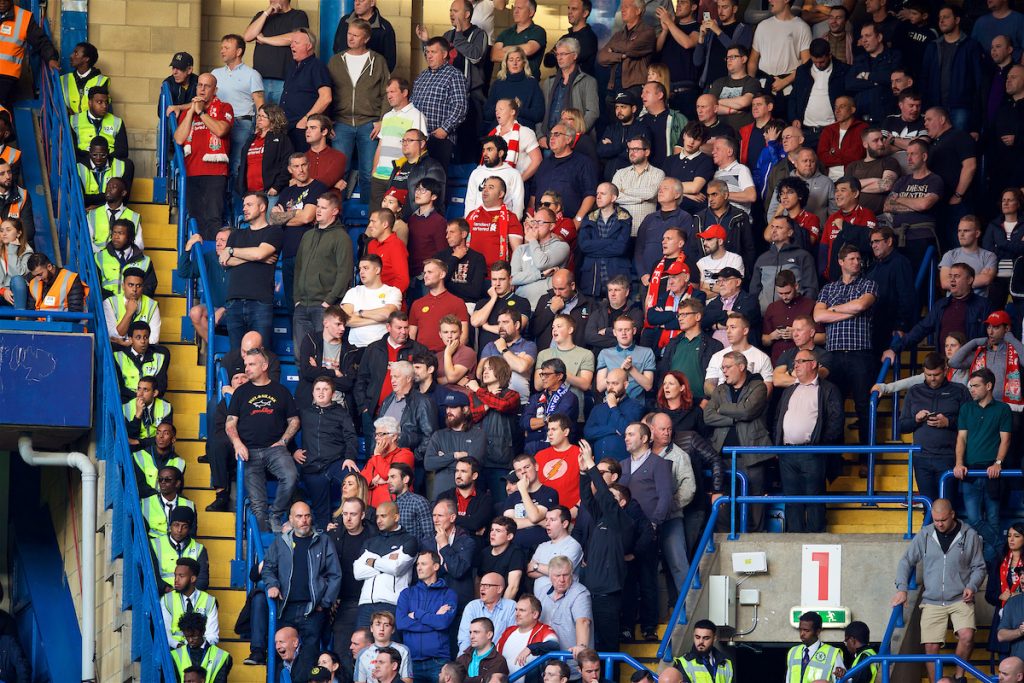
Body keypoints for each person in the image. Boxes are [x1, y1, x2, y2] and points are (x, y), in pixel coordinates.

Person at [893, 499, 986, 683]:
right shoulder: (925, 534)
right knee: (930, 646)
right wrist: (902, 589)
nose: (939, 524)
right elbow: (906, 562)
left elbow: (979, 567)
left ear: (952, 515)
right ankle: (937, 681)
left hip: (961, 597)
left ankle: (959, 678)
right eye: (935, 520)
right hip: (932, 600)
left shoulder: (970, 535)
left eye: (943, 520)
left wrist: (972, 586)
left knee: (967, 635)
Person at [226, 347, 300, 532]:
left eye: (251, 364)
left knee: (291, 477)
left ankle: (275, 514)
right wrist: (237, 443)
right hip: (249, 451)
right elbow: (230, 424)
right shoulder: (241, 392)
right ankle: (263, 550)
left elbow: (294, 421)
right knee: (258, 506)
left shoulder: (280, 391)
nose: (247, 368)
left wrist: (283, 441)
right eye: (246, 365)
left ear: (264, 366)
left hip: (275, 449)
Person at [814, 245, 878, 447]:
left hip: (860, 354)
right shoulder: (828, 288)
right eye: (851, 259)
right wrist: (847, 312)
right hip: (833, 354)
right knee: (834, 407)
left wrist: (832, 311)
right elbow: (818, 316)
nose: (856, 262)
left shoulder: (868, 284)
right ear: (841, 262)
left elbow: (861, 305)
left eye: (858, 259)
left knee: (863, 406)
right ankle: (835, 459)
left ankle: (866, 458)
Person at [774, 349, 843, 533]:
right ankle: (795, 541)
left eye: (800, 361)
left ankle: (815, 540)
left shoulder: (827, 389)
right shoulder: (789, 390)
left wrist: (820, 447)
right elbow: (778, 419)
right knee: (791, 501)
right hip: (787, 453)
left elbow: (836, 422)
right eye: (794, 362)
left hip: (812, 453)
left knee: (814, 500)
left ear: (813, 364)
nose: (795, 365)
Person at [703, 351, 772, 530]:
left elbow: (747, 411)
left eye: (727, 367)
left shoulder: (758, 386)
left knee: (754, 504)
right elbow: (708, 416)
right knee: (724, 505)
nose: (723, 371)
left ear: (741, 367)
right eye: (722, 367)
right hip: (723, 457)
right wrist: (734, 417)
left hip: (752, 456)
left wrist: (722, 409)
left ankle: (754, 544)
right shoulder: (720, 389)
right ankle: (726, 544)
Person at [954, 368, 1014, 560]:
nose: (971, 389)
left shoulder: (1003, 409)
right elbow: (961, 439)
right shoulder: (966, 408)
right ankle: (1002, 548)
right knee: (973, 520)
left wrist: (998, 463)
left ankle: (992, 568)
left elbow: (1005, 440)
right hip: (970, 472)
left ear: (988, 386)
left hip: (992, 472)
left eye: (976, 386)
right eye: (970, 386)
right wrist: (958, 463)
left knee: (994, 520)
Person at [172, 73, 232, 240]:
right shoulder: (189, 112)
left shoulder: (224, 107)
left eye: (207, 86)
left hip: (215, 172)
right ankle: (197, 259)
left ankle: (212, 258)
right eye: (199, 85)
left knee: (213, 217)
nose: (202, 89)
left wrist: (202, 114)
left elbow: (220, 130)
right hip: (192, 171)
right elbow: (179, 138)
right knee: (195, 218)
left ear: (215, 90)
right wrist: (192, 111)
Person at [353, 500, 420, 628]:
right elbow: (358, 572)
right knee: (363, 646)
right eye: (377, 516)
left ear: (396, 517)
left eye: (383, 516)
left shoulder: (409, 540)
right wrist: (386, 563)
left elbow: (396, 568)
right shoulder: (370, 542)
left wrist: (372, 562)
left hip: (392, 604)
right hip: (365, 604)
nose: (378, 520)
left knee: (389, 647)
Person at [918, 5, 983, 135]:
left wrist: (976, 119)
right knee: (938, 147)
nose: (941, 21)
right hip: (936, 106)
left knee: (960, 146)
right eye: (940, 18)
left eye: (946, 17)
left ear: (957, 20)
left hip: (961, 106)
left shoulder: (971, 46)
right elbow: (924, 77)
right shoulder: (932, 46)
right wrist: (926, 106)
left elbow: (979, 82)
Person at [395, 550, 458, 683]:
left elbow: (443, 623)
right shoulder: (406, 593)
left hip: (438, 661)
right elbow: (401, 623)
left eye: (423, 563)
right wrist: (433, 618)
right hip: (411, 661)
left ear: (435, 567)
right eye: (418, 564)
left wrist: (418, 614)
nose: (418, 567)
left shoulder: (448, 594)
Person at [412, 37, 468, 172]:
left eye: (433, 52)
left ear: (444, 54)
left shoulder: (454, 75)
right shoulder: (422, 76)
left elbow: (460, 106)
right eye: (427, 52)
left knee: (437, 180)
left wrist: (445, 129)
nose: (429, 55)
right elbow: (412, 104)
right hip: (419, 138)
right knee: (417, 178)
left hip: (440, 138)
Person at [530, 121, 598, 225]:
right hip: (540, 225)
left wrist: (577, 220)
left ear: (568, 139)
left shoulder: (583, 162)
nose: (551, 138)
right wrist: (531, 216)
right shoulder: (545, 163)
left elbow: (590, 195)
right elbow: (534, 194)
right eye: (550, 134)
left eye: (557, 134)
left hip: (569, 224)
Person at [537, 38, 599, 150]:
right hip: (548, 140)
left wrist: (574, 135)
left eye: (563, 54)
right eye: (557, 54)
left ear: (574, 56)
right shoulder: (549, 82)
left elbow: (593, 112)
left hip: (574, 143)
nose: (559, 58)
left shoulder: (588, 81)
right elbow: (540, 113)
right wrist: (540, 136)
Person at [511, 209, 570, 308]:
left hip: (546, 306)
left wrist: (532, 240)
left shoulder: (561, 247)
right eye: (534, 221)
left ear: (551, 226)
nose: (535, 225)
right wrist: (541, 274)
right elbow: (514, 279)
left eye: (540, 222)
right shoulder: (521, 249)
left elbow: (541, 263)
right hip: (520, 305)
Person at [522, 358, 581, 455]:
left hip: (556, 449)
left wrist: (535, 423)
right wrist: (545, 420)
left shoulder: (569, 398)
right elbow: (524, 422)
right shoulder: (535, 397)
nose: (543, 378)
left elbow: (556, 421)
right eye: (542, 374)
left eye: (547, 374)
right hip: (532, 447)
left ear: (559, 376)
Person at [584, 368, 644, 460]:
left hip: (622, 465)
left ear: (625, 385)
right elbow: (588, 433)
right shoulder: (598, 408)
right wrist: (612, 429)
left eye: (615, 383)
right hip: (599, 464)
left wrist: (613, 406)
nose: (610, 388)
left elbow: (626, 430)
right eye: (608, 383)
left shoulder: (635, 406)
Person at [162, 558, 219, 649]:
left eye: (181, 576)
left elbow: (213, 636)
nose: (176, 580)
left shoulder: (209, 600)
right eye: (175, 575)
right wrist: (181, 647)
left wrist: (197, 647)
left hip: (200, 651)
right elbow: (164, 634)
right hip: (174, 650)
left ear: (193, 578)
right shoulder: (167, 599)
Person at [495, 595, 559, 674]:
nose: (517, 614)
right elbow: (495, 656)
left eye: (522, 610)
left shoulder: (544, 630)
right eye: (516, 610)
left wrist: (530, 648)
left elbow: (554, 645)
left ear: (535, 614)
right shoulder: (508, 631)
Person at [151, 506, 209, 592]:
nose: (179, 530)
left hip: (190, 599)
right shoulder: (154, 544)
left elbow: (202, 581)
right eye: (176, 525)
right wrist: (168, 591)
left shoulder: (199, 549)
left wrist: (187, 595)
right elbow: (151, 575)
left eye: (184, 526)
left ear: (189, 529)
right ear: (170, 525)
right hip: (161, 597)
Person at [783, 612, 845, 683]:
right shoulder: (793, 652)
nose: (802, 634)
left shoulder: (832, 653)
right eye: (800, 629)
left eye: (806, 630)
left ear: (818, 631)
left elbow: (842, 680)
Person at [170, 612, 232, 683]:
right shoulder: (174, 655)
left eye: (194, 636)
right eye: (187, 637)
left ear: (203, 632)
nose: (190, 640)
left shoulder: (222, 656)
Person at [491, 0, 547, 76]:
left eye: (520, 8)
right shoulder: (506, 33)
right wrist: (520, 52)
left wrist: (505, 49)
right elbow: (495, 55)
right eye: (514, 8)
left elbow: (528, 50)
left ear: (531, 12)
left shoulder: (538, 31)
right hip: (505, 81)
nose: (515, 11)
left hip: (528, 82)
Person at [141, 464, 194, 539]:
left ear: (177, 483)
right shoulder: (145, 503)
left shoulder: (189, 504)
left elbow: (191, 534)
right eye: (160, 479)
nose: (163, 482)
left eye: (167, 480)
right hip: (152, 548)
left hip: (179, 548)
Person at [479, 518, 527, 600]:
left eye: (498, 531)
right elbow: (478, 582)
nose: (492, 534)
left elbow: (513, 587)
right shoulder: (484, 552)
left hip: (508, 603)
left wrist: (502, 611)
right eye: (492, 530)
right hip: (487, 602)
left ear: (509, 536)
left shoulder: (516, 553)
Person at [123, 376, 173, 448]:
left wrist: (139, 442)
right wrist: (138, 415)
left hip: (157, 448)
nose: (140, 394)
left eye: (145, 390)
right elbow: (129, 437)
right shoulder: (126, 407)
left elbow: (165, 437)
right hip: (135, 450)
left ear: (155, 393)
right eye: (139, 389)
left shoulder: (166, 407)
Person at [457, 617, 510, 683]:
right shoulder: (463, 658)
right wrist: (481, 679)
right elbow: (454, 679)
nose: (471, 636)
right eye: (470, 632)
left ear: (489, 635)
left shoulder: (499, 661)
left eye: (476, 632)